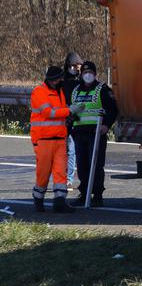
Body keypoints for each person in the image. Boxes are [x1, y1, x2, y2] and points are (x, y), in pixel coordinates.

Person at [30, 66, 83, 213]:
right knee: (43, 174)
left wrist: (71, 112)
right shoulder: (39, 92)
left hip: (59, 139)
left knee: (61, 173)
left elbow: (60, 110)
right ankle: (38, 198)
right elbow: (48, 113)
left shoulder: (58, 92)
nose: (62, 80)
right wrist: (70, 110)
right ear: (53, 79)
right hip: (44, 140)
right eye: (60, 78)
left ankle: (60, 202)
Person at [70, 61, 119, 207]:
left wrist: (106, 125)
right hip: (79, 133)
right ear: (81, 74)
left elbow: (113, 110)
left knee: (96, 164)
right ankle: (84, 194)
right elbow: (71, 111)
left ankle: (97, 195)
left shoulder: (102, 89)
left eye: (90, 72)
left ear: (95, 74)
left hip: (96, 133)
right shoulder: (76, 90)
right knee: (82, 165)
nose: (87, 75)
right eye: (85, 72)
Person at [61, 51, 83, 189]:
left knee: (72, 149)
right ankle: (65, 177)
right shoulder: (62, 81)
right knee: (67, 149)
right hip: (65, 116)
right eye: (73, 66)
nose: (75, 69)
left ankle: (68, 177)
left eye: (78, 66)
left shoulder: (82, 80)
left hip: (79, 118)